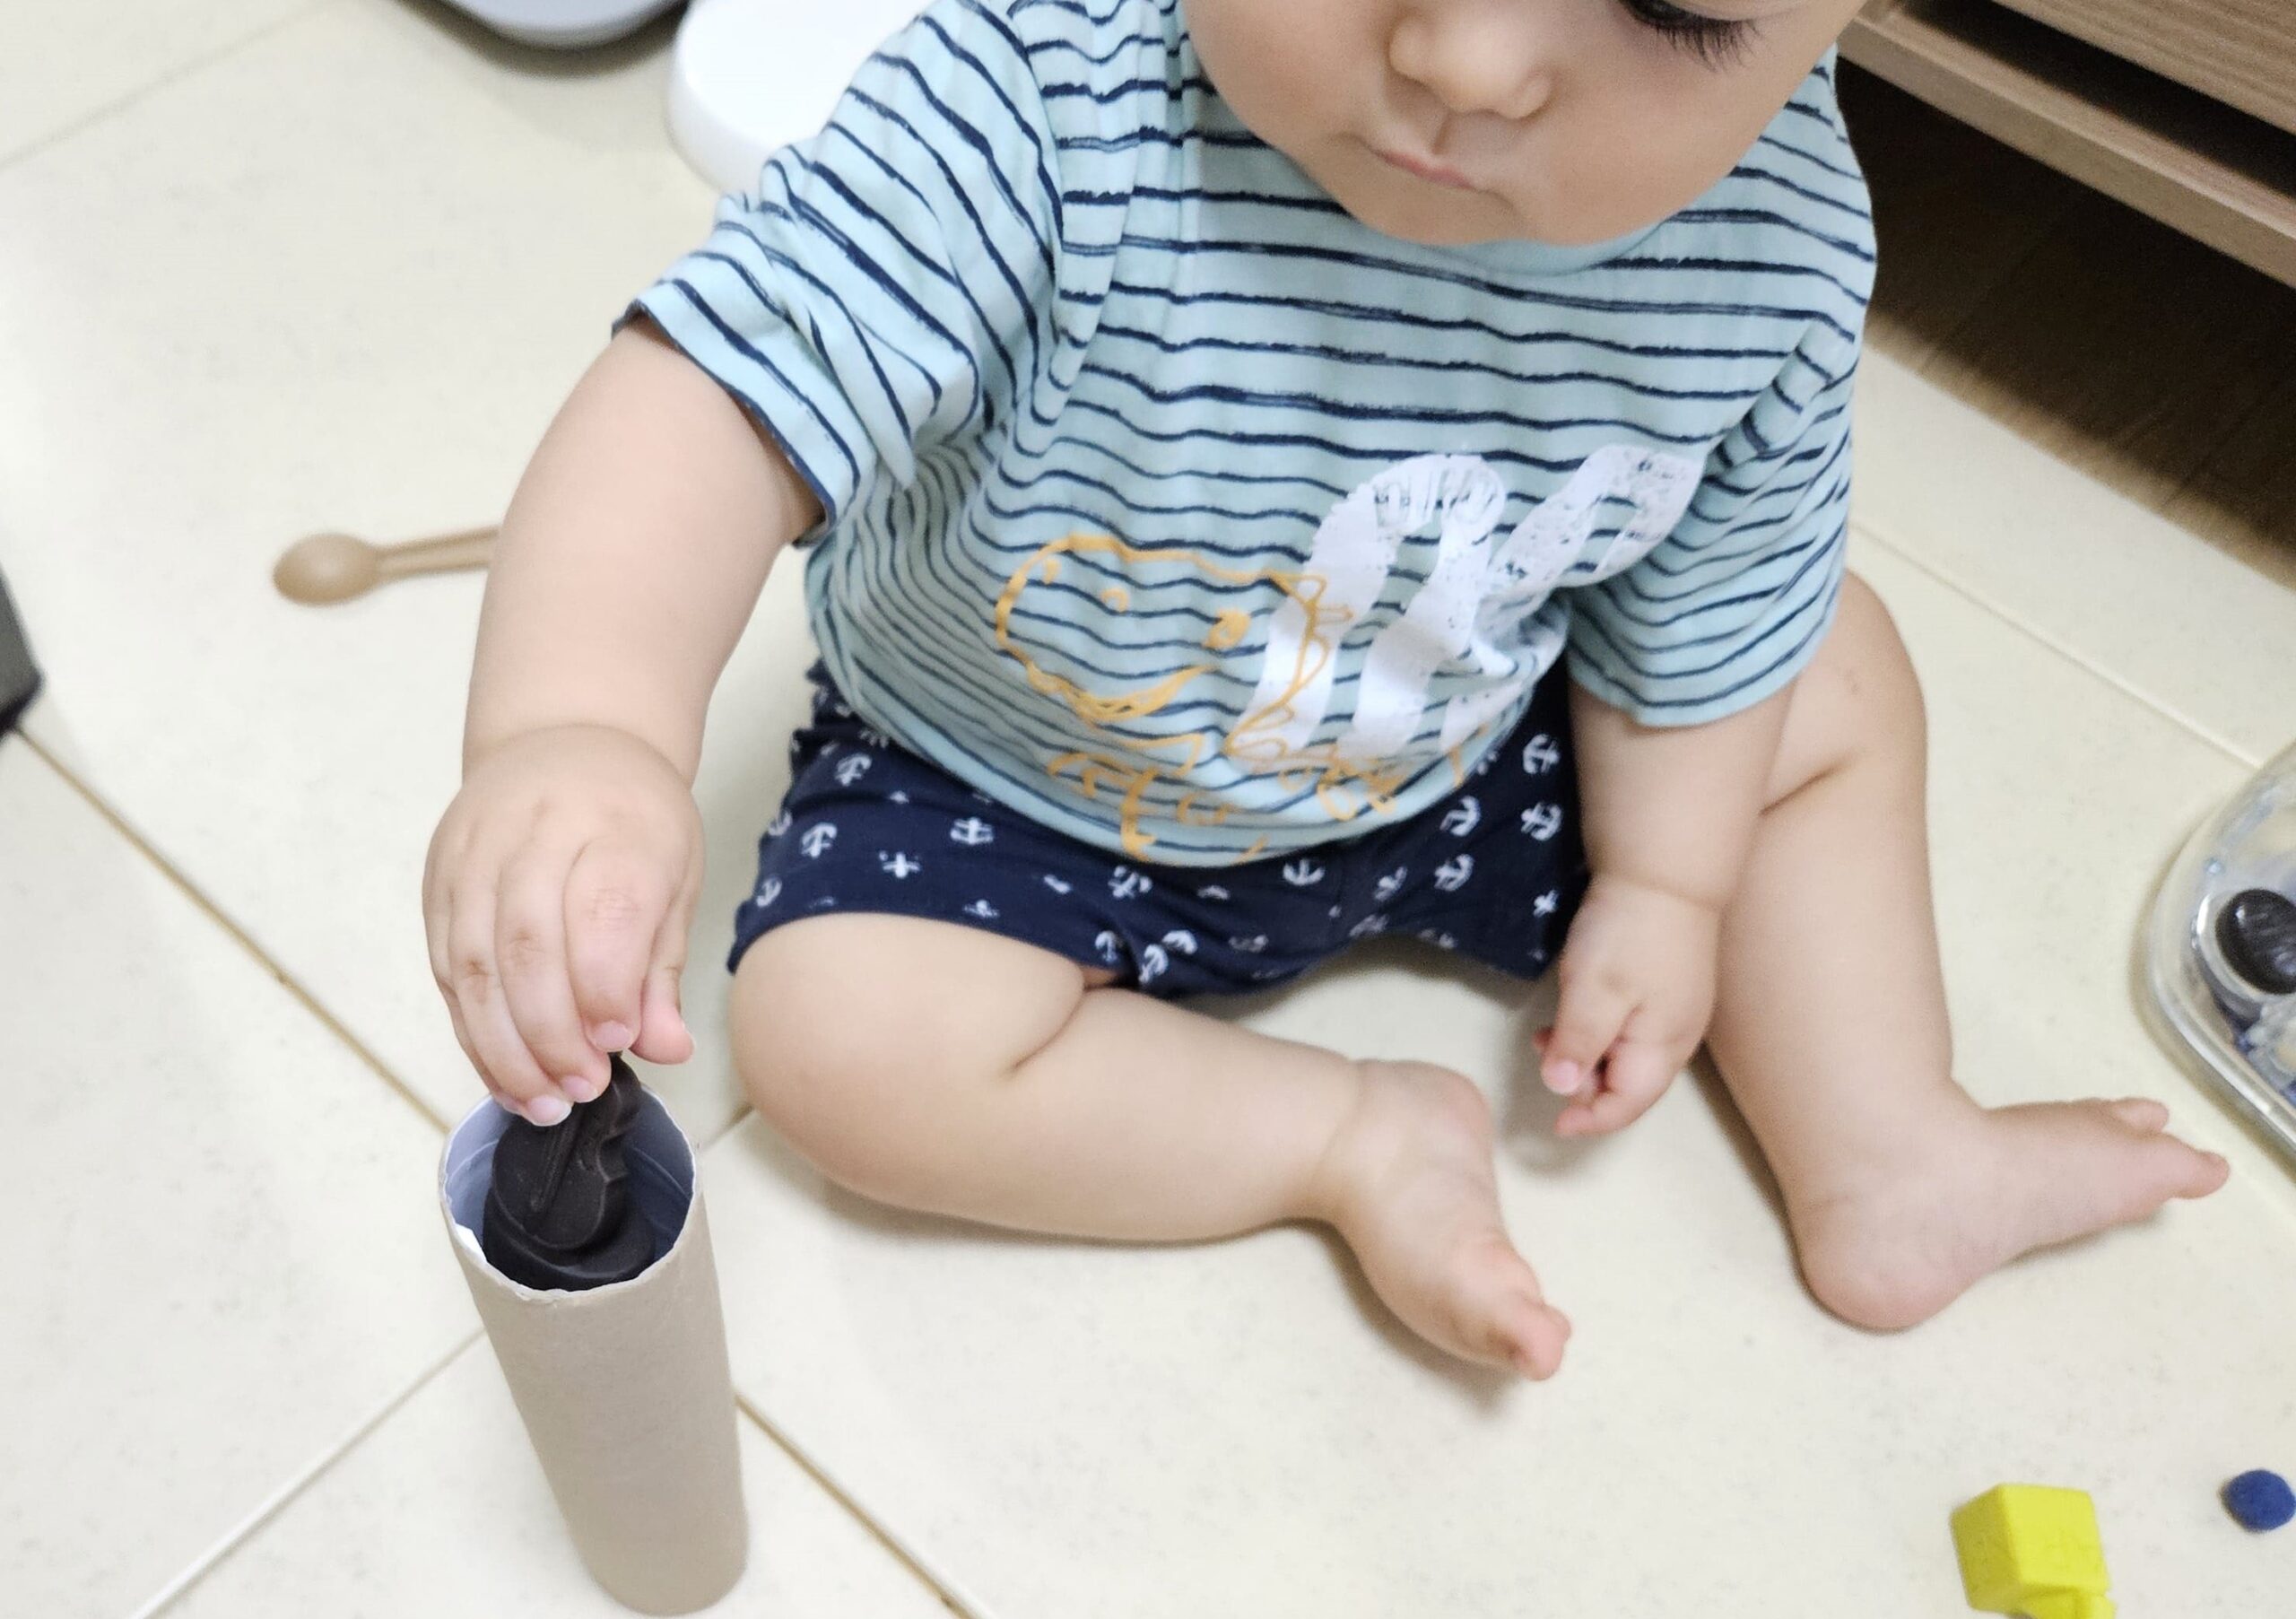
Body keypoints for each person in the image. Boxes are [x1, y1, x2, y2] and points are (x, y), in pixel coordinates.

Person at [422, 0, 2227, 1379]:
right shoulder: (1045, 90)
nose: (1466, 57)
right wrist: (577, 729)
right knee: (841, 1047)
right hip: (1009, 772)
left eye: (1674, 7)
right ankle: (1342, 1140)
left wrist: (1672, 884)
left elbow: (1716, 589)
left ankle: (1882, 1142)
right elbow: (715, 398)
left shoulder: (1773, 240)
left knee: (1831, 667)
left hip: (1458, 739)